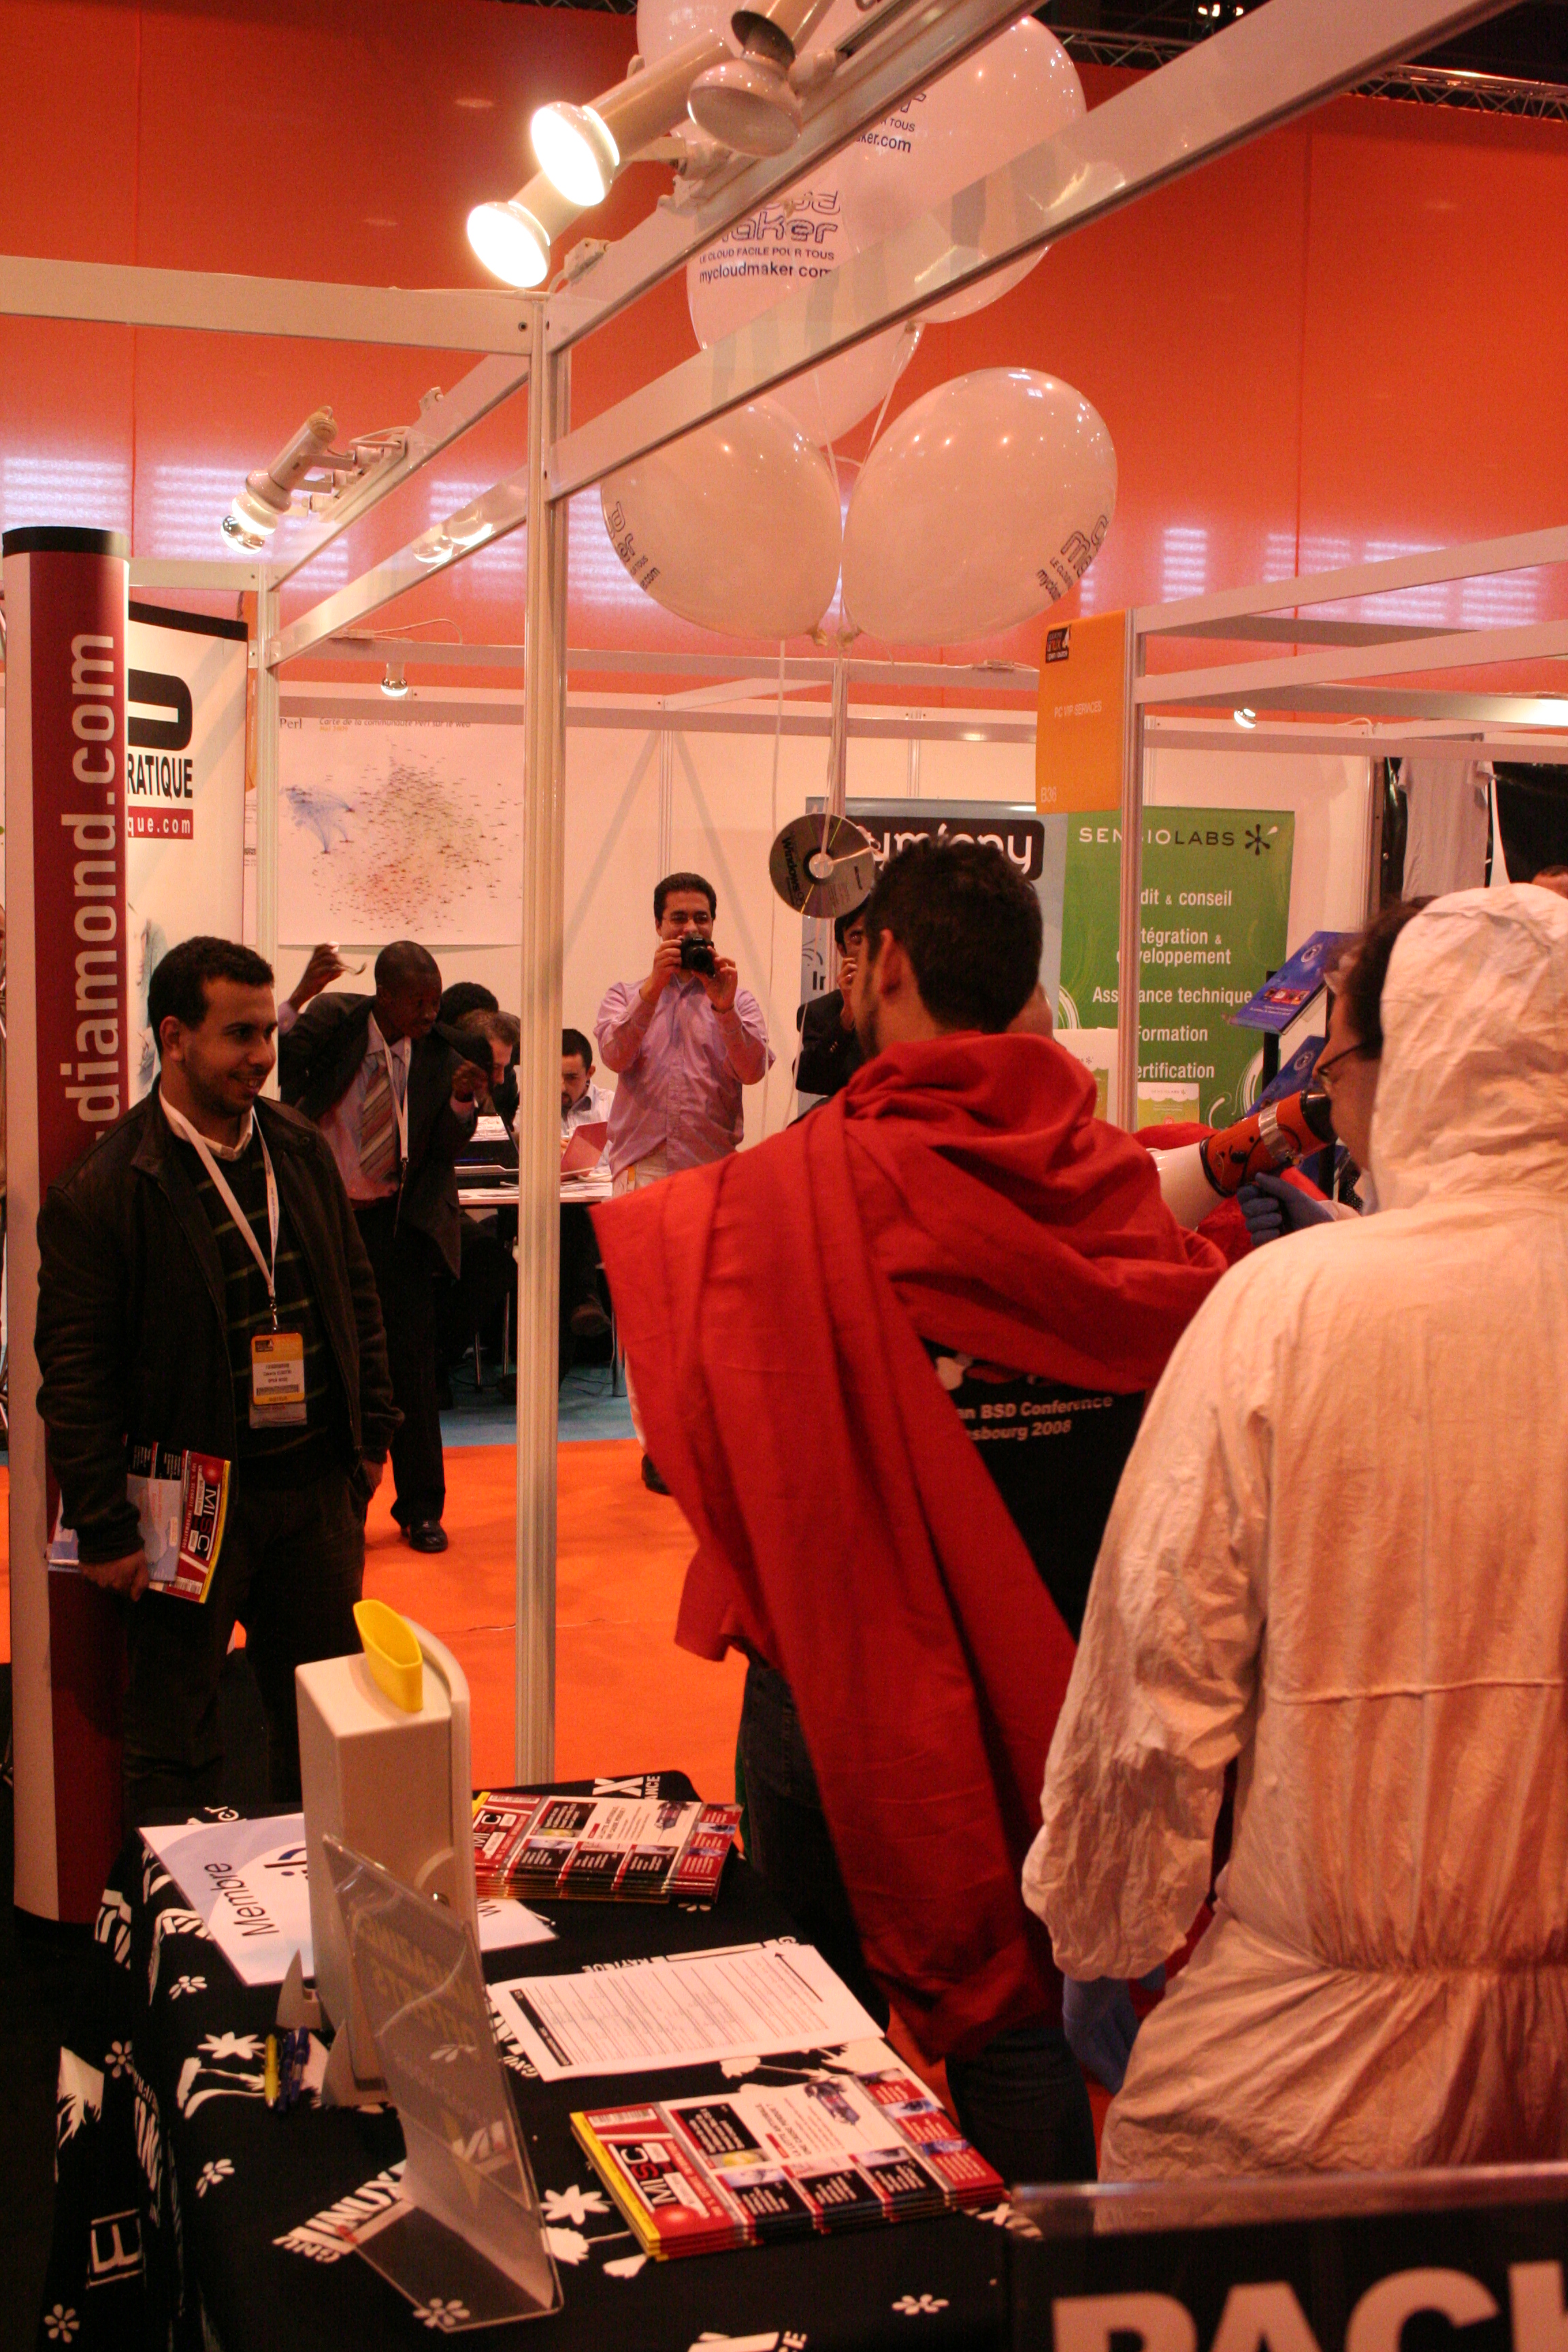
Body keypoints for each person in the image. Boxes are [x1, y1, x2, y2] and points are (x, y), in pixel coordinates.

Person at [593, 840, 1223, 2182]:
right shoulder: (1109, 1186)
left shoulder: (797, 1194)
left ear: (881, 963)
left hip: (841, 1680)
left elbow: (720, 1440)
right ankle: (1031, 2279)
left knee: (815, 2008)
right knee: (1018, 2008)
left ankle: (850, 2265)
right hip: (1056, 1676)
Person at [1025, 882, 1568, 2178]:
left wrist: (1105, 1918)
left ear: (1410, 1060)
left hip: (1312, 2061)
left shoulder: (1286, 1308)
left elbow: (1155, 1664)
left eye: (1339, 1064)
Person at [35, 936, 398, 1825]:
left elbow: (356, 1298)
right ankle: (180, 1904)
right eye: (239, 1035)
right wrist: (104, 1524)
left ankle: (316, 1899)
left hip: (315, 1495)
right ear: (175, 1037)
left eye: (265, 1033)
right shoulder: (105, 1188)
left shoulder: (296, 1148)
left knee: (323, 1729)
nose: (262, 1055)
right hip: (187, 1506)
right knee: (176, 1744)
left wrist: (370, 1443)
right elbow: (75, 1375)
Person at [278, 940, 488, 1553]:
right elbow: (279, 1062)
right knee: (326, 1366)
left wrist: (462, 1101)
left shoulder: (445, 1051)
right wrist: (298, 996)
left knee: (411, 1373)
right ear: (385, 996)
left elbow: (444, 1147)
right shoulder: (335, 1022)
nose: (430, 1012)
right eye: (418, 1002)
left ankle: (421, 1508)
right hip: (327, 1221)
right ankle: (334, 1506)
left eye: (436, 999)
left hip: (397, 1227)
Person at [595, 871, 772, 1489]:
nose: (691, 929)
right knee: (648, 1321)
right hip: (642, 1167)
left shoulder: (737, 998)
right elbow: (613, 1055)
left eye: (701, 918)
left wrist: (723, 1007)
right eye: (679, 919)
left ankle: (707, 1440)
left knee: (711, 1320)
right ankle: (661, 1449)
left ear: (713, 925)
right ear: (658, 926)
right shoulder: (625, 993)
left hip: (712, 1171)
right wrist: (653, 988)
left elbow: (753, 1070)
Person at [560, 1028, 612, 1365]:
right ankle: (586, 1298)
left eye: (571, 1078)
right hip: (548, 1215)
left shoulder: (611, 1105)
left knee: (577, 1219)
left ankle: (548, 1376)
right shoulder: (533, 1103)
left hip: (599, 1213)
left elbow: (623, 1160)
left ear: (590, 1072)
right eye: (556, 1076)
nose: (561, 1087)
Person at [794, 900, 868, 1105]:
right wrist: (846, 1016)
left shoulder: (908, 1003)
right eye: (857, 938)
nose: (868, 946)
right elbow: (808, 1079)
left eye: (874, 934)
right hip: (849, 1114)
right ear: (841, 949)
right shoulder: (819, 1012)